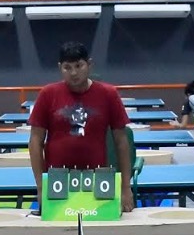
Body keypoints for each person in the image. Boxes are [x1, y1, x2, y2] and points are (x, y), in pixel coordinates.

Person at [28, 41, 135, 212]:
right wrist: (41, 187)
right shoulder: (48, 94)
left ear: (89, 64)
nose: (74, 73)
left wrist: (125, 188)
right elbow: (35, 142)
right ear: (59, 68)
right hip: (57, 180)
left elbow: (121, 142)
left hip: (96, 179)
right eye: (67, 67)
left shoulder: (108, 94)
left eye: (79, 66)